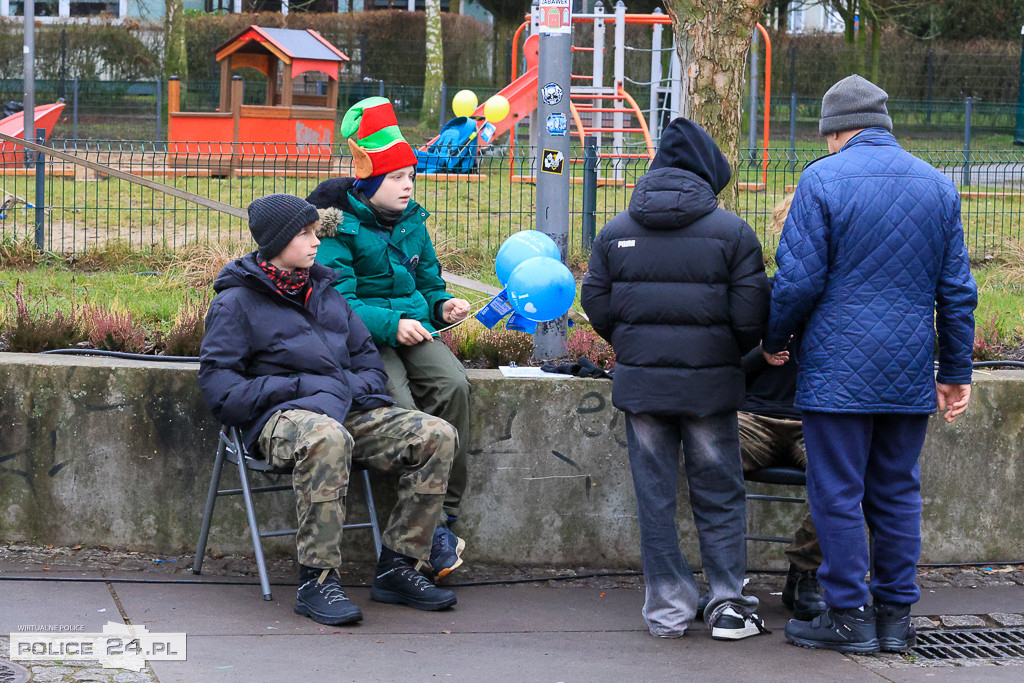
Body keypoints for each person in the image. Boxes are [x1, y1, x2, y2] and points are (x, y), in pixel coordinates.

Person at [763, 75, 977, 654]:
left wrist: (775, 338)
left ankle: (848, 617)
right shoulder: (937, 185)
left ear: (835, 131)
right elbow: (957, 290)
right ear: (884, 125)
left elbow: (798, 281)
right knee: (898, 491)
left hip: (836, 369)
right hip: (909, 367)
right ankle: (895, 619)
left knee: (836, 491)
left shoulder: (822, 180)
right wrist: (955, 372)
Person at [199, 193, 460, 626]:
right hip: (281, 420)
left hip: (344, 407)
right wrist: (299, 388)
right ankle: (317, 582)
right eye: (304, 234)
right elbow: (221, 390)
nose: (316, 241)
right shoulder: (235, 302)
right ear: (277, 241)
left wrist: (342, 388)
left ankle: (400, 567)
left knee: (436, 434)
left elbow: (369, 364)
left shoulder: (327, 291)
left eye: (315, 231)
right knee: (326, 437)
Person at [582, 117, 771, 641]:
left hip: (642, 388)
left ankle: (667, 609)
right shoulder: (733, 232)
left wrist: (633, 345)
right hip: (710, 390)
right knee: (720, 492)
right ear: (708, 174)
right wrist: (724, 354)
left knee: (655, 495)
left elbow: (594, 301)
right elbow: (752, 317)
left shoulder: (617, 230)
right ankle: (729, 602)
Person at [307, 97, 470, 580]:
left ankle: (446, 511)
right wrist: (391, 325)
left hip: (416, 329)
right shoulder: (337, 223)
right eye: (397, 177)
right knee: (398, 406)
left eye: (411, 176)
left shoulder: (414, 220)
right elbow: (340, 301)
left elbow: (429, 282)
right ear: (371, 179)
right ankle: (429, 526)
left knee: (455, 386)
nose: (408, 185)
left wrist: (443, 304)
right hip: (367, 338)